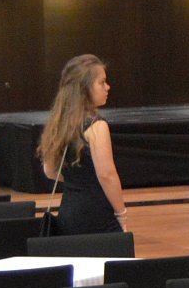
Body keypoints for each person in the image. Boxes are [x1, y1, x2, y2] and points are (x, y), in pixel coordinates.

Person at [38, 53, 129, 234]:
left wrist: (77, 180)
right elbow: (106, 175)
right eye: (102, 82)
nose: (108, 87)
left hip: (68, 211)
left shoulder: (60, 123)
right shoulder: (97, 126)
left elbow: (49, 170)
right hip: (96, 213)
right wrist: (121, 214)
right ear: (85, 88)